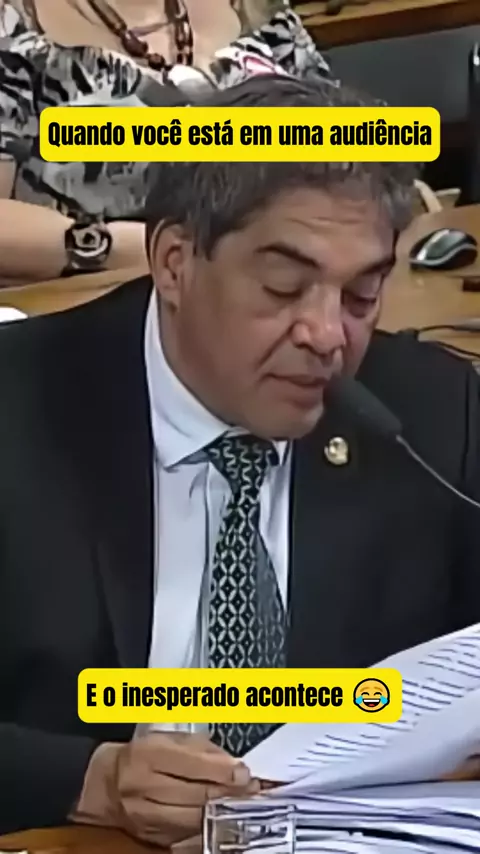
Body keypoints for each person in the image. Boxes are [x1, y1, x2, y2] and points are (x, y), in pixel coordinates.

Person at [2, 73, 480, 844]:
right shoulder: (20, 407)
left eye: (361, 296)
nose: (328, 336)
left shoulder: (433, 416)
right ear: (174, 262)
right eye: (284, 287)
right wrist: (88, 779)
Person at [0, 0, 334, 286]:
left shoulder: (257, 8)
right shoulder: (12, 24)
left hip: (292, 283)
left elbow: (346, 152)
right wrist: (109, 247)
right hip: (107, 302)